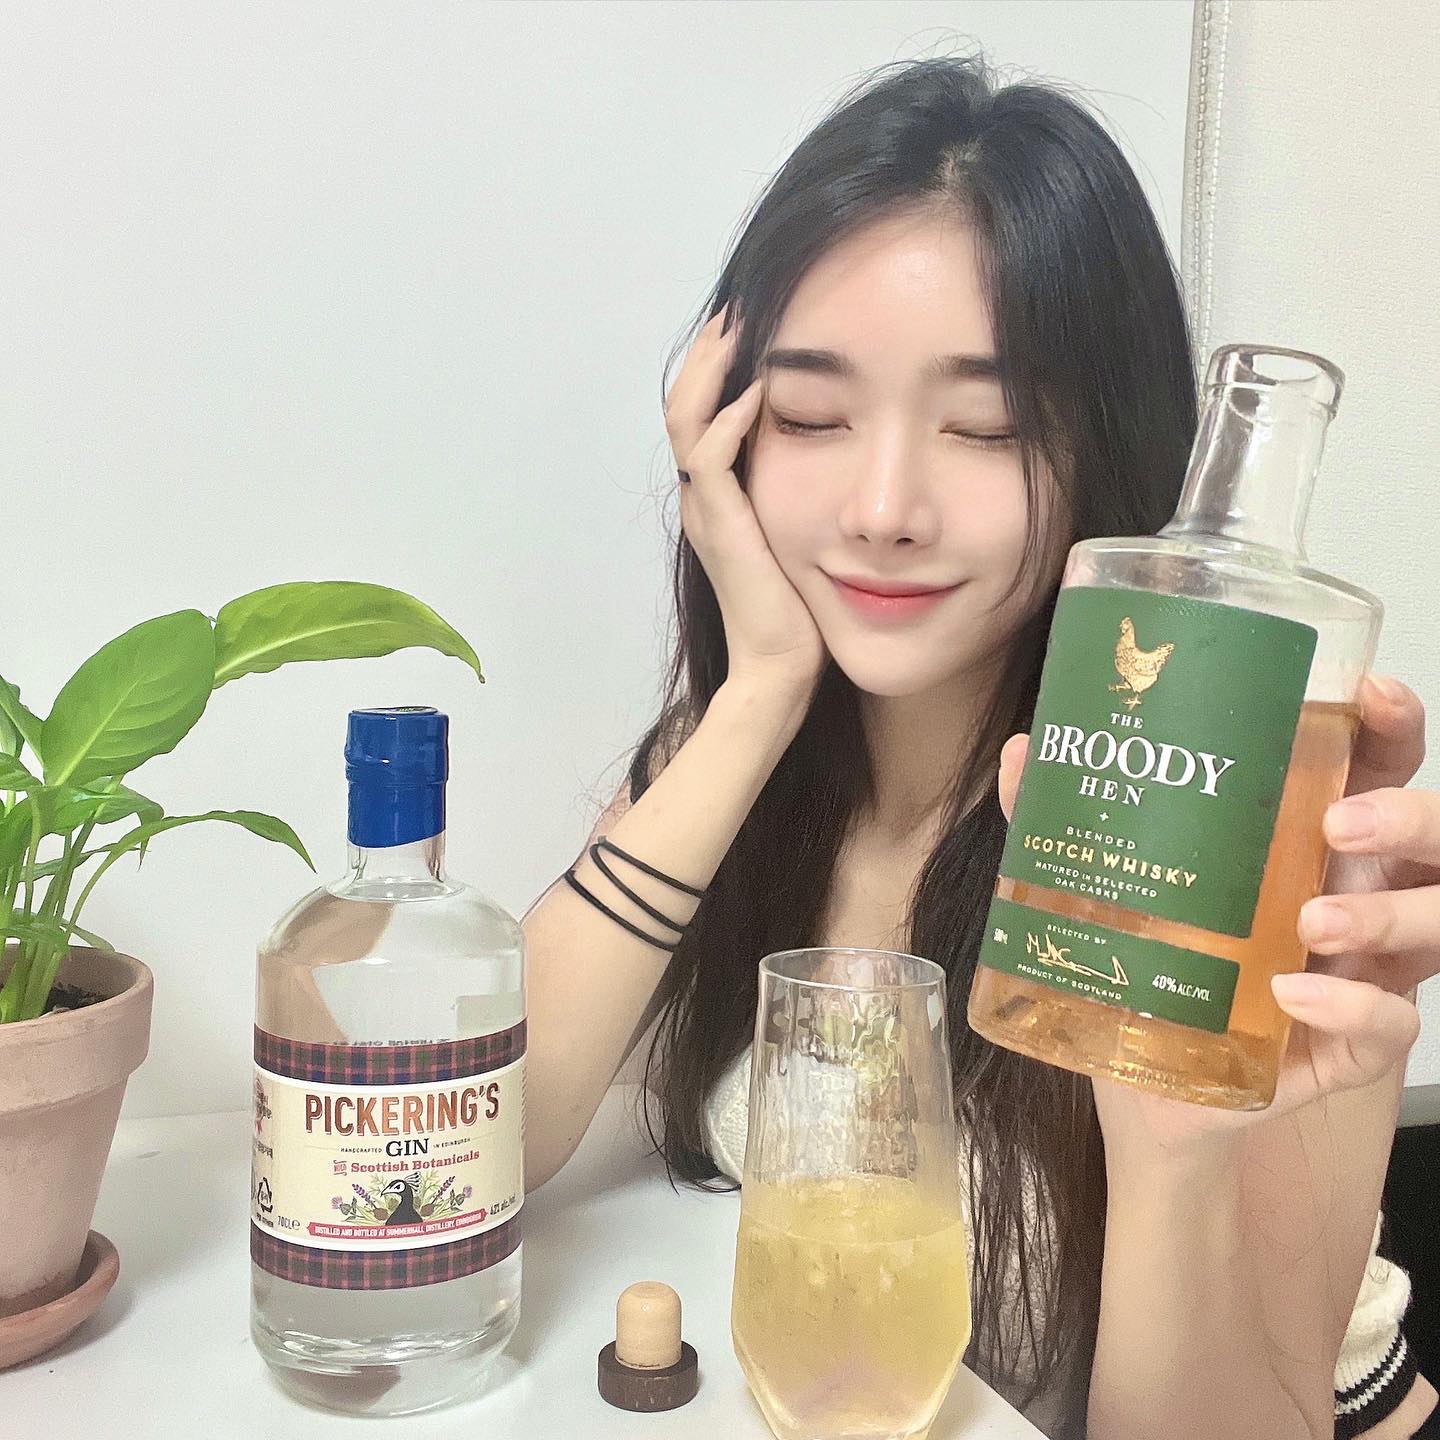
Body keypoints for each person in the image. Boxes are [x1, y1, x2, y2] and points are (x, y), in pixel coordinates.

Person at [521, 55, 1436, 1440]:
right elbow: (478, 1151)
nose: (884, 508)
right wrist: (760, 690)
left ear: (1106, 451)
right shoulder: (744, 773)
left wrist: (1172, 1155)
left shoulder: (1209, 860)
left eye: (988, 427)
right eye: (812, 416)